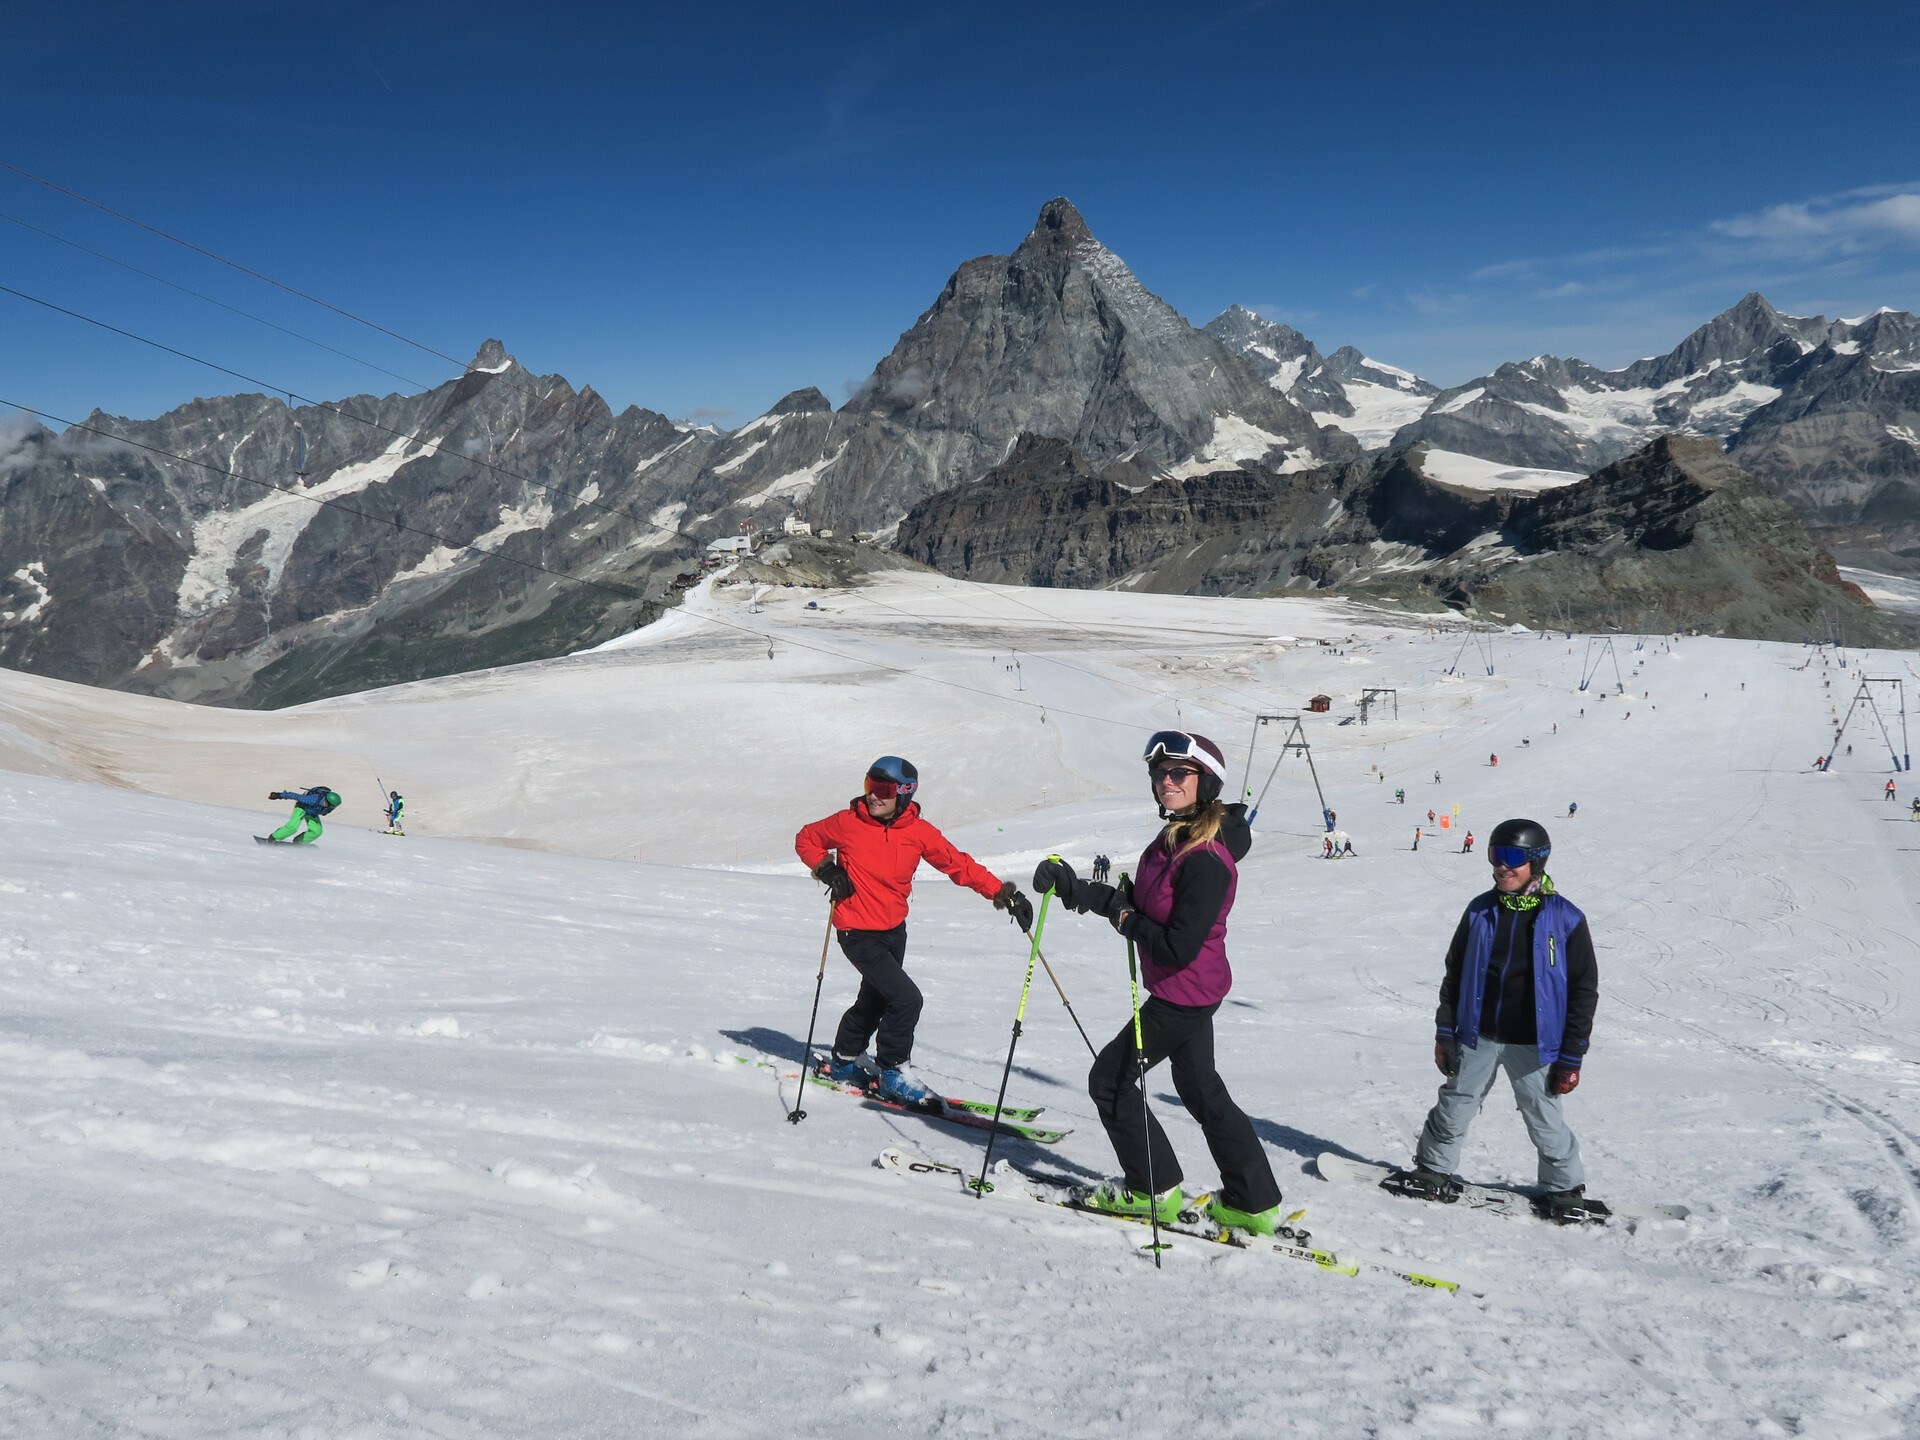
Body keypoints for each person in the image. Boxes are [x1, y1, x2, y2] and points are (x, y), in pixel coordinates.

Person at [1031, 731, 1284, 1235]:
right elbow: (1140, 902)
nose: (1166, 780)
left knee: (1109, 1081)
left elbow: (1175, 946)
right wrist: (1077, 889)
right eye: (1159, 772)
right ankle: (1252, 1203)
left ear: (1205, 782)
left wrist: (1125, 919)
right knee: (1200, 1088)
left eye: (1179, 773)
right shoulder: (1177, 837)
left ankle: (1153, 1190)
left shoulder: (1204, 858)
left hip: (1181, 994)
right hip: (1193, 989)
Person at [1389, 819, 1600, 1220]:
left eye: (1511, 857)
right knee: (1454, 1106)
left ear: (1536, 862)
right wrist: (1445, 1032)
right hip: (1478, 1035)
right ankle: (1433, 1170)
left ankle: (1564, 1189)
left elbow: (1583, 990)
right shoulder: (1480, 910)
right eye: (1495, 856)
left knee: (1545, 1118)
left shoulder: (1565, 918)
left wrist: (1572, 1055)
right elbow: (1454, 973)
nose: (1501, 866)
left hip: (1535, 1042)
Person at [795, 756, 1033, 1106]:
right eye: (870, 785)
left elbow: (958, 864)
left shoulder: (918, 832)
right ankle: (893, 1072)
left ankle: (844, 1062)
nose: (873, 795)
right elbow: (806, 838)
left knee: (876, 998)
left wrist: (1002, 893)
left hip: (893, 930)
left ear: (904, 793)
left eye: (884, 788)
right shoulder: (848, 822)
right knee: (906, 998)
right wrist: (827, 869)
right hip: (855, 929)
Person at [265, 785, 340, 844]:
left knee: (317, 831)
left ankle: (299, 841)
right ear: (327, 801)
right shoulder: (313, 799)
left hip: (312, 813)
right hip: (302, 808)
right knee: (292, 827)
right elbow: (295, 796)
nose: (333, 808)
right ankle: (274, 838)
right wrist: (279, 795)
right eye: (332, 806)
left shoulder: (328, 807)